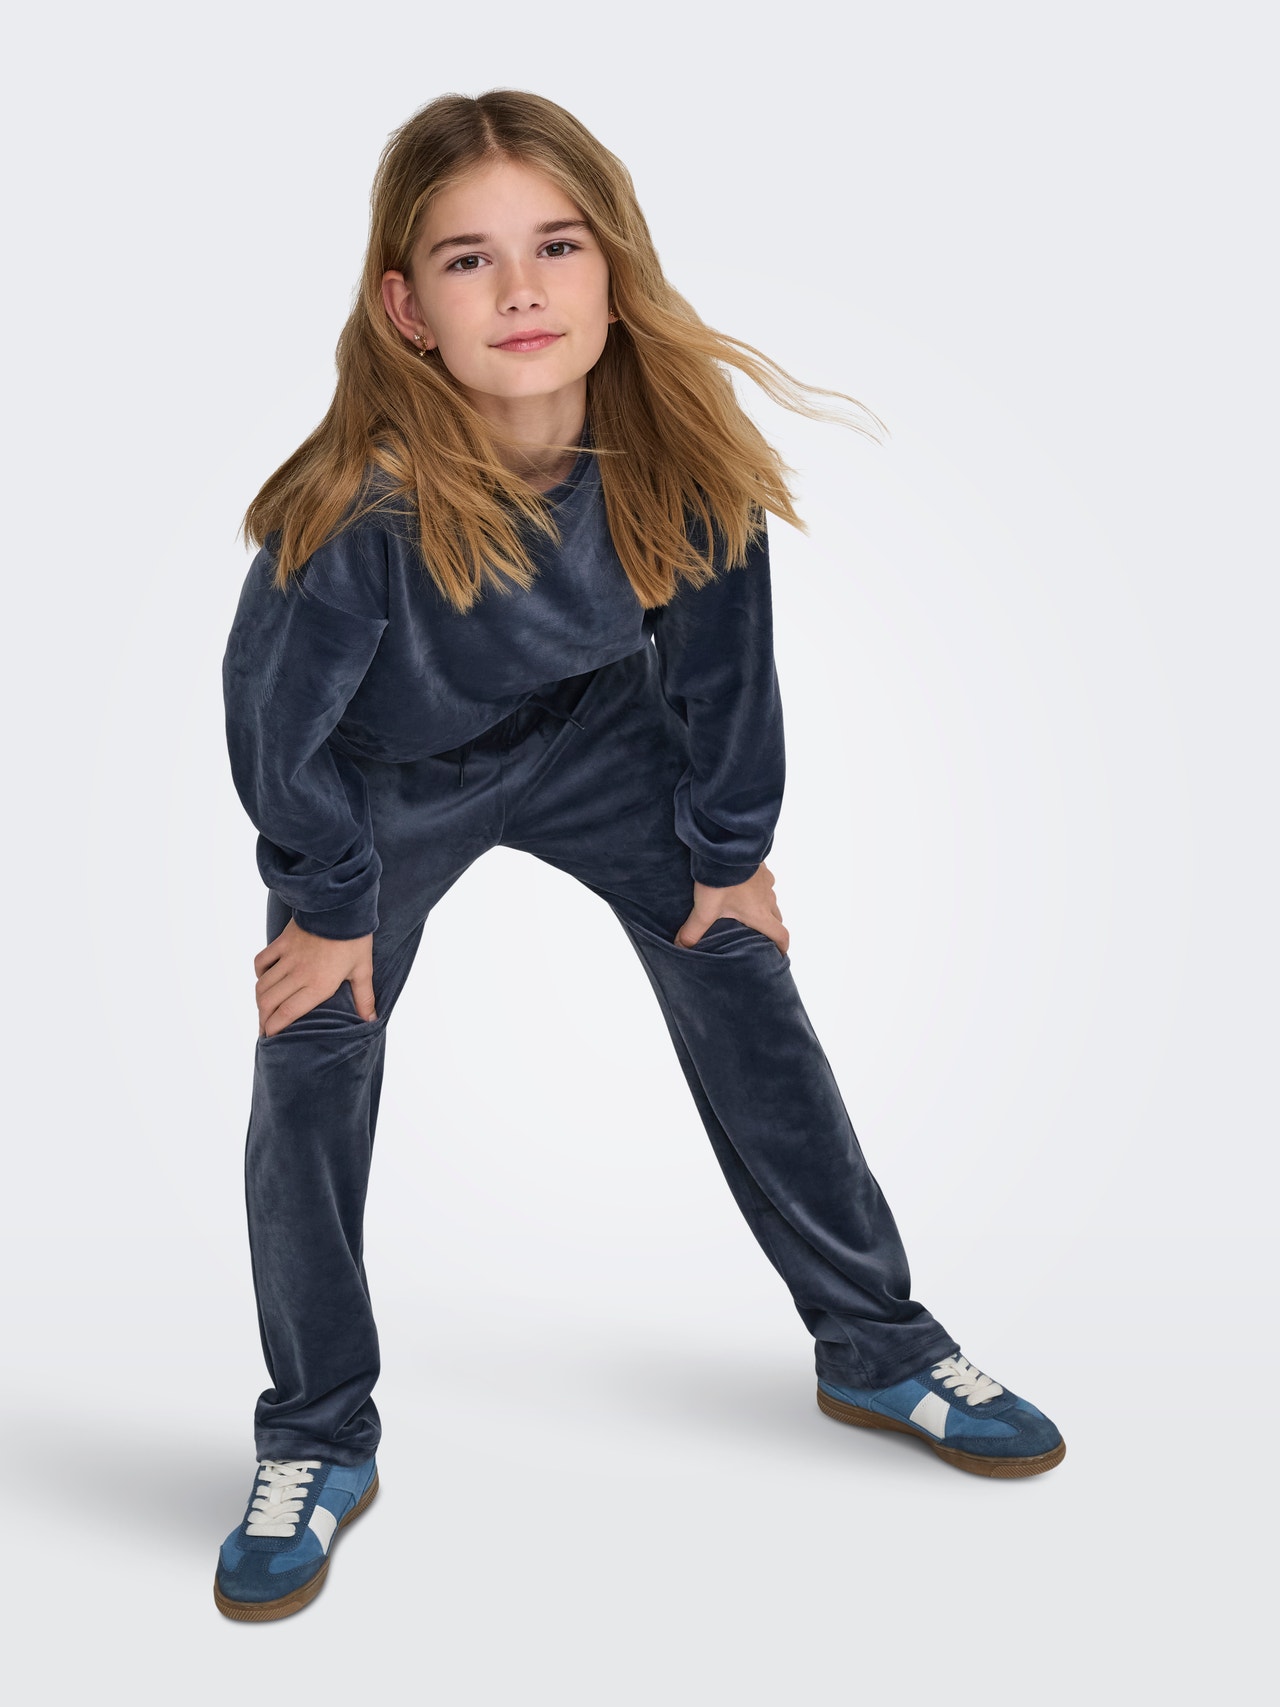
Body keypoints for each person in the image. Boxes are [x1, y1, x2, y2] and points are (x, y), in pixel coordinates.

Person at [214, 88, 1065, 1623]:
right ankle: (318, 1434)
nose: (521, 289)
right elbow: (275, 729)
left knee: (738, 965)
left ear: (613, 266)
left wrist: (728, 850)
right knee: (313, 1048)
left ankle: (879, 1344)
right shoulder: (357, 513)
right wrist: (330, 901)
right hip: (381, 786)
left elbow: (729, 666)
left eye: (556, 245)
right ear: (407, 310)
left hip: (595, 735)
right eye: (469, 261)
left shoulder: (677, 445)